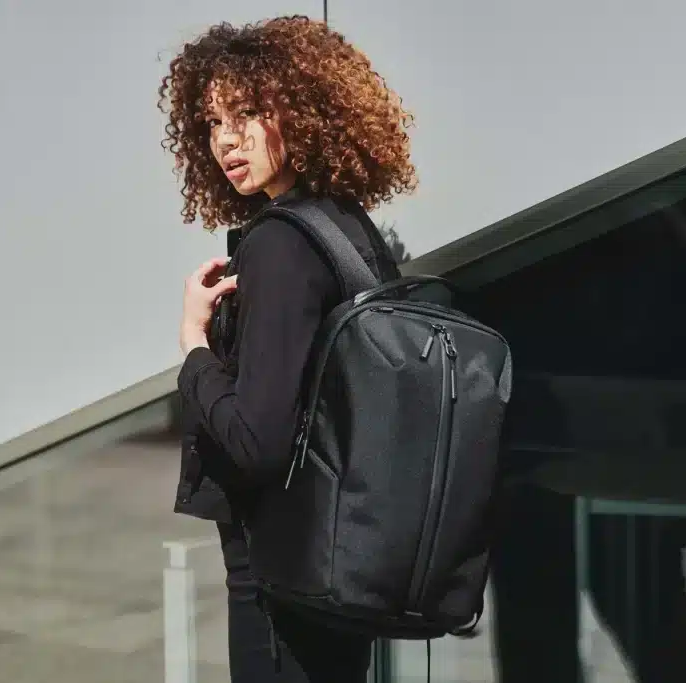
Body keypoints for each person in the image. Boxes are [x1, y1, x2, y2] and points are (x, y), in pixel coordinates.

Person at [157, 15, 417, 683]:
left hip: (283, 583)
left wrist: (194, 346)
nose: (226, 140)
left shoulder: (279, 244)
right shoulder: (347, 228)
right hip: (340, 560)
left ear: (300, 112)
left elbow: (257, 441)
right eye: (212, 123)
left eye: (246, 113)